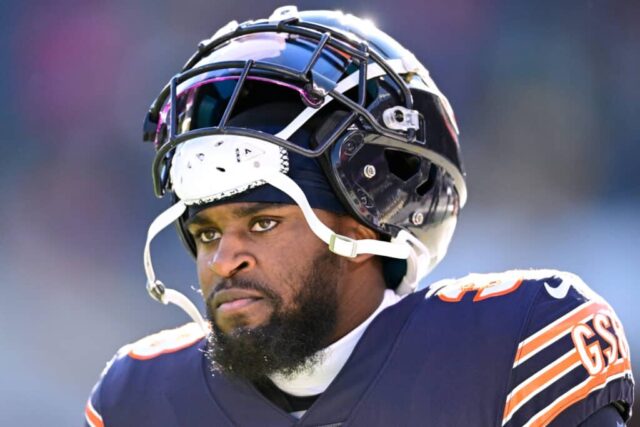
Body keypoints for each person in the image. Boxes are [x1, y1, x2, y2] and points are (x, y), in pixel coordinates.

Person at [84, 6, 634, 426]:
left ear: (365, 225)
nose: (223, 260)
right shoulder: (141, 398)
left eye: (263, 222)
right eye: (206, 231)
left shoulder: (509, 350)